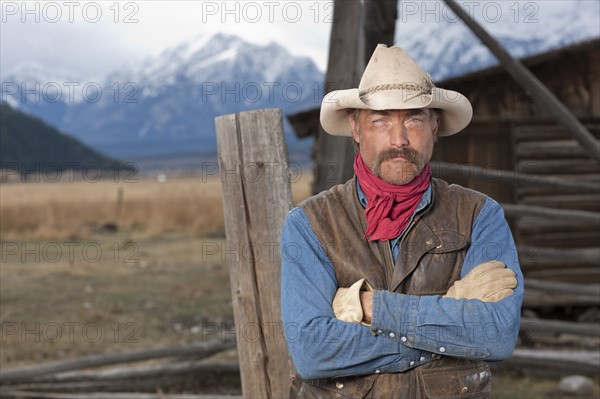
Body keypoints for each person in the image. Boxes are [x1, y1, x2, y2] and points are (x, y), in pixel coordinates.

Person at [280, 44, 524, 398]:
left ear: (435, 127)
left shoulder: (480, 216)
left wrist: (370, 307)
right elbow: (313, 352)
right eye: (381, 120)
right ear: (357, 129)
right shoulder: (309, 224)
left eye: (413, 119)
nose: (399, 140)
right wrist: (451, 322)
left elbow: (497, 336)